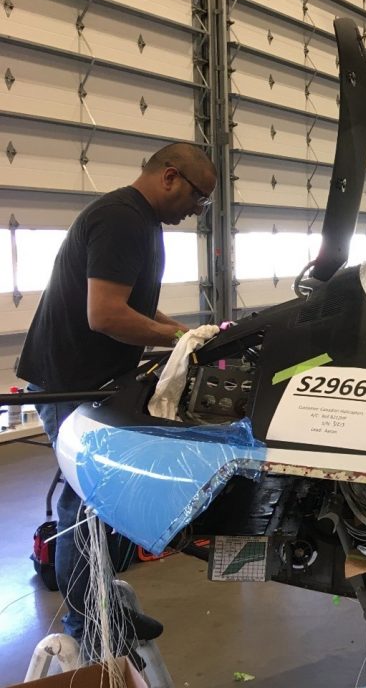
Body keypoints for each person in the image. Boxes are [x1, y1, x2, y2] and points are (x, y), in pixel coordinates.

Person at [17, 142, 217, 654]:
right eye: (198, 198)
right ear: (170, 177)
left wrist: (189, 334)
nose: (197, 210)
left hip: (93, 376)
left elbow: (128, 310)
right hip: (70, 380)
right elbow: (104, 315)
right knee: (86, 502)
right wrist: (175, 338)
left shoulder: (140, 221)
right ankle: (91, 625)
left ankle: (108, 604)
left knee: (102, 500)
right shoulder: (122, 219)